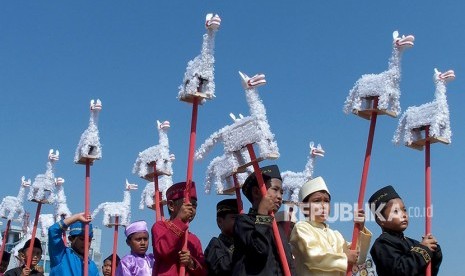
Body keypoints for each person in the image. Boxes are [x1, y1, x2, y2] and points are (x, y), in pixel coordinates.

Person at [289, 176, 371, 276]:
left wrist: (360, 228)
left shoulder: (336, 235)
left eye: (326, 201)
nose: (323, 205)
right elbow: (313, 258)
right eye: (317, 201)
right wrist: (345, 258)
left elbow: (358, 257)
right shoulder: (302, 228)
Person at [232, 164, 296, 276]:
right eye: (275, 190)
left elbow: (289, 264)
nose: (280, 196)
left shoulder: (278, 228)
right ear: (256, 192)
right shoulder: (243, 222)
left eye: (281, 192)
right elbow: (259, 251)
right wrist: (263, 214)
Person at [368, 185, 442, 276]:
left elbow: (428, 271)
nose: (403, 215)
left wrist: (434, 251)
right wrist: (424, 250)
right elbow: (400, 271)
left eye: (404, 210)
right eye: (396, 211)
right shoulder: (382, 244)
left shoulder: (414, 243)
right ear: (381, 220)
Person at [151, 181, 206, 276]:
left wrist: (191, 263)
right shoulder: (160, 227)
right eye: (186, 204)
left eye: (194, 205)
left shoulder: (195, 240)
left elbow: (203, 271)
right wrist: (179, 220)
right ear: (171, 206)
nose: (191, 209)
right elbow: (163, 250)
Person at [204, 198, 239, 276]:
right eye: (234, 218)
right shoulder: (215, 244)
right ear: (219, 221)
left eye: (241, 218)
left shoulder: (244, 242)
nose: (239, 221)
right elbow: (223, 268)